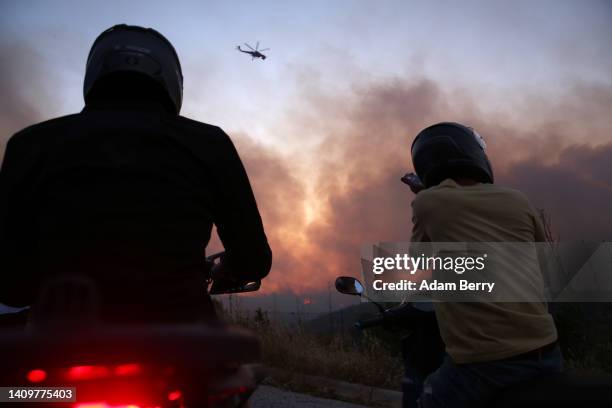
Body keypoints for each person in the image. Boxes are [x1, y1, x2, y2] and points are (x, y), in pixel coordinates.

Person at [0, 24, 272, 324]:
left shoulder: (30, 144)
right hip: (183, 344)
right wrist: (225, 270)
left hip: (59, 344)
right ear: (171, 80)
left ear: (95, 74)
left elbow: (11, 286)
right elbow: (254, 259)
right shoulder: (210, 143)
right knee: (248, 371)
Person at [408, 122, 561, 407]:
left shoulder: (427, 201)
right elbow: (541, 260)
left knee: (428, 399)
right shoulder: (518, 199)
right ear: (475, 155)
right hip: (547, 351)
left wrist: (424, 194)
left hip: (481, 363)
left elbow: (419, 259)